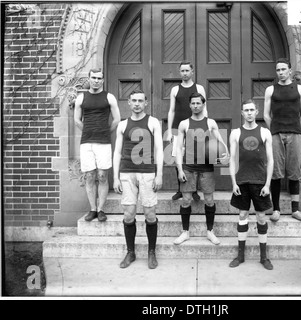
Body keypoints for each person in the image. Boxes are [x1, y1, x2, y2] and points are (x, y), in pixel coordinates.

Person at [113, 90, 164, 269]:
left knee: (150, 214)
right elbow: (117, 152)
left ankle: (151, 252)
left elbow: (159, 149)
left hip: (147, 173)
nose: (136, 103)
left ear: (146, 103)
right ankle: (130, 252)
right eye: (133, 100)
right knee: (129, 214)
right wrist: (116, 177)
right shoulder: (122, 125)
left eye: (140, 100)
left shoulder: (152, 122)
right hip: (127, 172)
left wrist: (159, 174)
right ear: (128, 102)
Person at [173, 93, 229, 245]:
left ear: (203, 105)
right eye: (193, 103)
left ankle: (210, 231)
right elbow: (178, 148)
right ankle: (185, 232)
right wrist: (179, 169)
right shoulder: (184, 124)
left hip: (207, 167)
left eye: (199, 103)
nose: (196, 106)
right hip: (188, 167)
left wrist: (225, 154)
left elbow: (221, 143)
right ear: (190, 105)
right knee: (186, 200)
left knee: (209, 200)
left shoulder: (210, 123)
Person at [229, 100, 274, 270]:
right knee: (242, 215)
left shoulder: (264, 132)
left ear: (257, 112)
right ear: (242, 113)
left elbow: (270, 160)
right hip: (242, 181)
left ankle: (264, 257)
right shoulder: (235, 133)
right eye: (246, 110)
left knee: (261, 217)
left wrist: (267, 184)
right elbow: (232, 160)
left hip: (260, 181)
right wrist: (233, 183)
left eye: (251, 110)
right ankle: (240, 255)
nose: (249, 113)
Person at [264, 58, 301, 222]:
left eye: (283, 69)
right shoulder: (270, 90)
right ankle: (276, 209)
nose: (280, 72)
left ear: (290, 70)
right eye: (278, 70)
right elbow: (266, 115)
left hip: (295, 132)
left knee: (294, 170)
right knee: (276, 171)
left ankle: (295, 210)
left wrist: (296, 127)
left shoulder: (300, 89)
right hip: (276, 133)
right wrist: (274, 129)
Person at [74, 68, 121, 223]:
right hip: (87, 142)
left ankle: (101, 209)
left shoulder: (109, 97)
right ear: (89, 78)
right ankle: (93, 209)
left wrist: (106, 132)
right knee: (89, 176)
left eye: (99, 78)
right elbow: (77, 120)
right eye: (93, 77)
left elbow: (116, 119)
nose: (96, 80)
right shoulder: (81, 98)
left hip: (103, 142)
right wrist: (88, 130)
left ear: (102, 80)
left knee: (102, 175)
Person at [166, 61, 208, 201]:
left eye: (187, 70)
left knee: (194, 159)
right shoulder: (175, 90)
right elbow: (171, 111)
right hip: (178, 128)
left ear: (192, 72)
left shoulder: (199, 88)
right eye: (182, 71)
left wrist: (205, 127)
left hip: (195, 129)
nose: (185, 73)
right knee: (178, 158)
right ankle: (180, 189)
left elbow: (204, 109)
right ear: (180, 72)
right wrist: (170, 131)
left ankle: (194, 190)